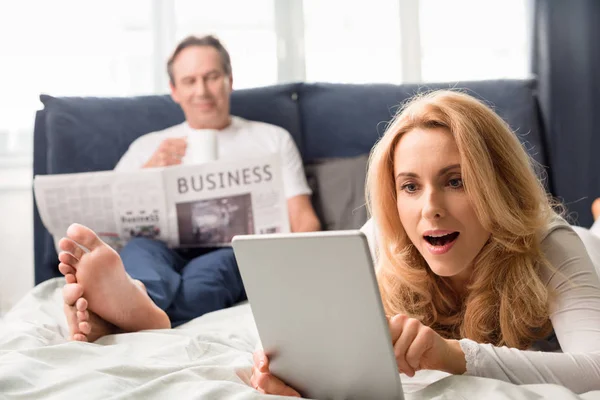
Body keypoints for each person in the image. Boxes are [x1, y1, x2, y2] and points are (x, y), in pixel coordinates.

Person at [249, 90, 600, 395]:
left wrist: (453, 356)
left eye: (455, 181)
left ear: (498, 186)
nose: (430, 209)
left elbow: (596, 368)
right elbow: (298, 323)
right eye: (411, 186)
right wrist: (279, 366)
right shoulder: (383, 237)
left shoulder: (550, 242)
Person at [58, 35, 321, 342]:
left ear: (229, 80)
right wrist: (147, 175)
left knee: (216, 273)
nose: (202, 91)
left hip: (229, 249)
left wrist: (284, 267)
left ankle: (120, 318)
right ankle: (136, 299)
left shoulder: (272, 139)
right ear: (174, 90)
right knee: (140, 254)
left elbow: (305, 220)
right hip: (157, 246)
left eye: (211, 77)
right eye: (190, 80)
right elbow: (108, 227)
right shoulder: (147, 147)